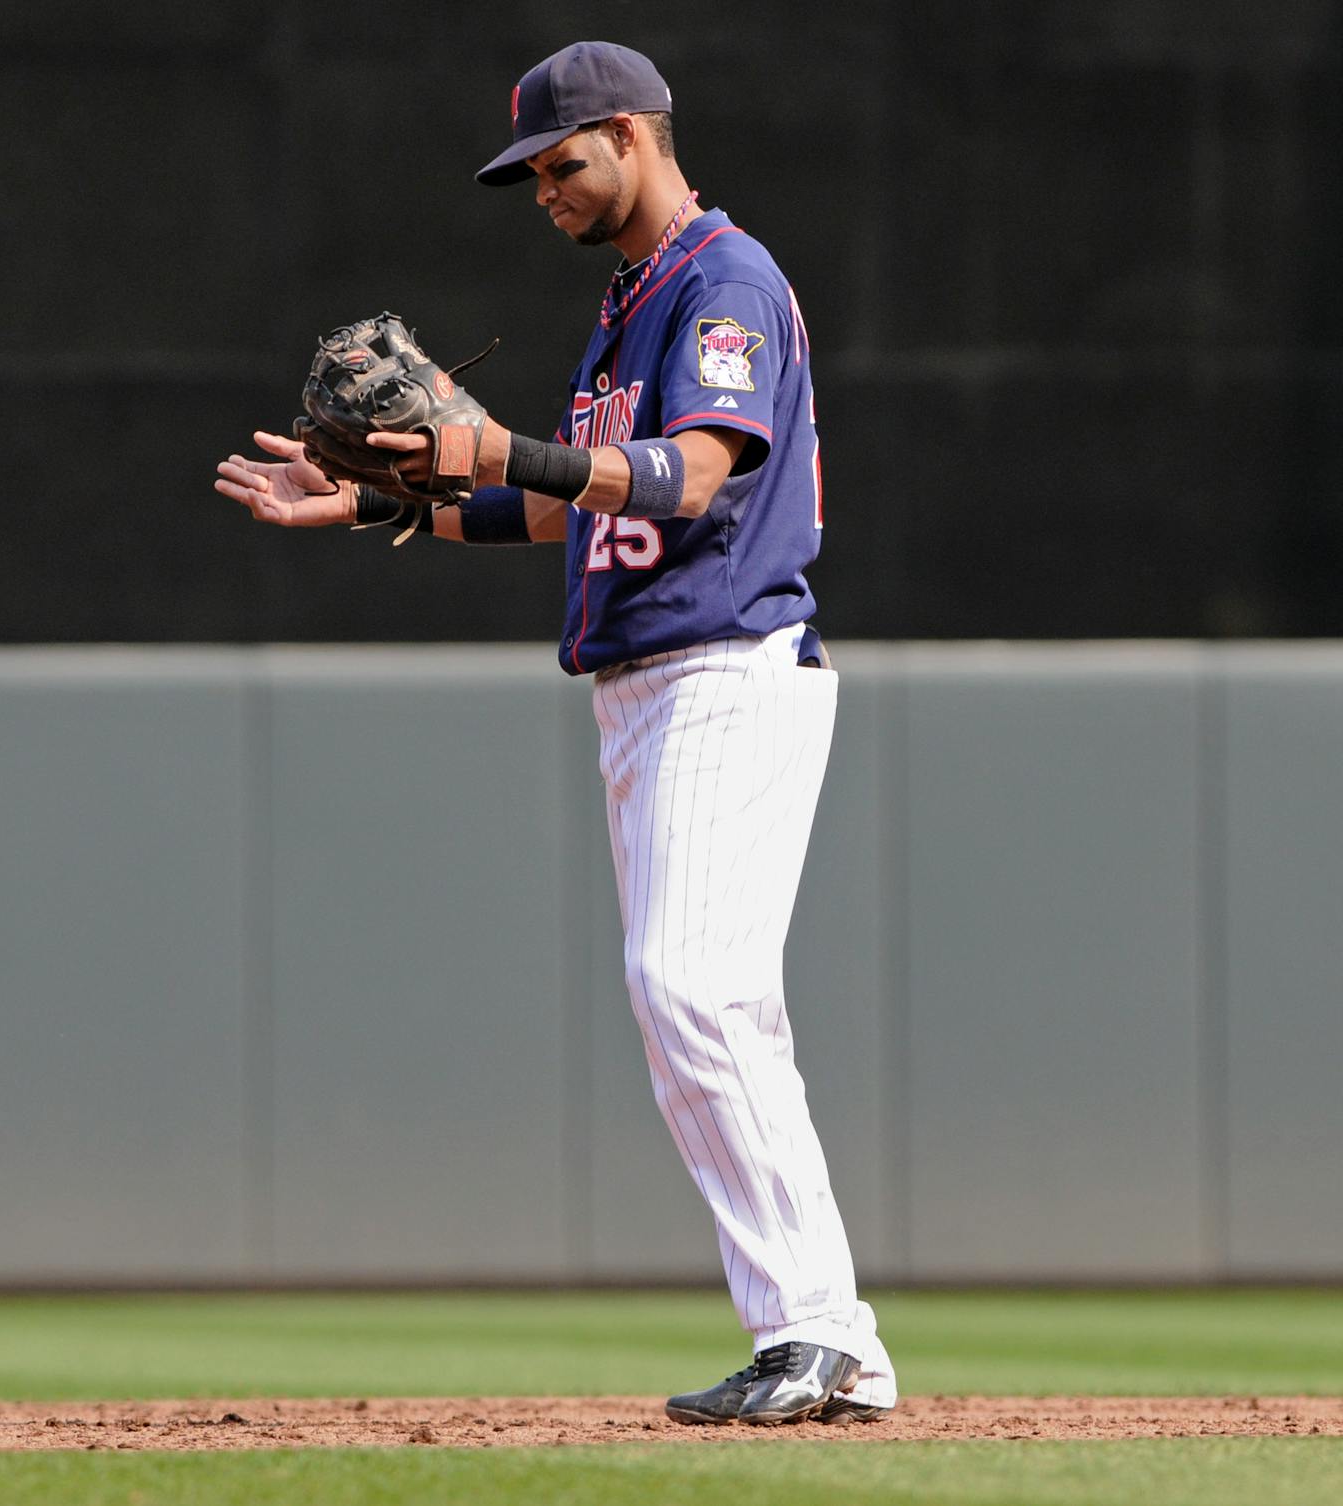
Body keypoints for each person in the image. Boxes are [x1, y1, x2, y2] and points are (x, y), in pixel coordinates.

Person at [215, 40, 896, 1425]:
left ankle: (819, 1328)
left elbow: (696, 478)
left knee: (695, 987)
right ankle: (830, 1339)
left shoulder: (724, 283)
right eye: (527, 173)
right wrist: (371, 503)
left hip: (724, 659)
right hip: (647, 680)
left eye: (562, 161)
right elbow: (572, 501)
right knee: (693, 1004)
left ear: (638, 134)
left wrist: (497, 446)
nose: (541, 188)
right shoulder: (627, 302)